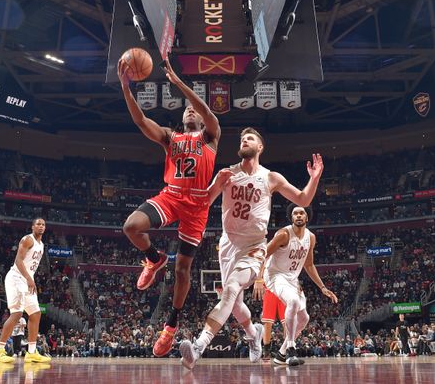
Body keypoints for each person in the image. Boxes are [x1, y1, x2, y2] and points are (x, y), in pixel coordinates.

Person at [179, 128, 324, 369]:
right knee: (234, 304)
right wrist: (215, 184)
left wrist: (315, 178)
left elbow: (303, 200)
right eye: (242, 138)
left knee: (231, 289)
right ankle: (253, 334)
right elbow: (203, 203)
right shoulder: (227, 174)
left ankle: (198, 347)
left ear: (260, 147)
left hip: (255, 246)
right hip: (228, 244)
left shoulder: (271, 177)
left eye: (250, 138)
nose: (244, 140)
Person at [118, 58, 221, 357]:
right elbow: (140, 121)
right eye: (186, 108)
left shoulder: (211, 136)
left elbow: (207, 111)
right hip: (172, 196)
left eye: (194, 109)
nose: (189, 110)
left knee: (183, 269)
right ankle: (153, 257)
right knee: (131, 227)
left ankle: (171, 326)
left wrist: (178, 84)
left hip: (197, 205)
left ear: (200, 118)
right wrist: (126, 89)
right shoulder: (170, 136)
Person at [254, 205, 338, 366]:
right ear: (291, 218)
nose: (298, 215)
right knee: (292, 302)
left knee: (304, 318)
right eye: (295, 213)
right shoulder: (283, 234)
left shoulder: (311, 238)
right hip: (274, 275)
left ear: (307, 218)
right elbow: (263, 254)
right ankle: (292, 349)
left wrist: (322, 287)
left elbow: (309, 265)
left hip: (292, 278)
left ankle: (281, 354)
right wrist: (258, 279)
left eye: (302, 213)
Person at [0, 218, 51, 364]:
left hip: (26, 280)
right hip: (16, 278)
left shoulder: (41, 245)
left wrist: (31, 280)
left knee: (35, 313)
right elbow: (18, 261)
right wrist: (29, 279)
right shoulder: (27, 239)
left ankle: (31, 352)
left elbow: (30, 265)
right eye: (38, 224)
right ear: (32, 227)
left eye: (43, 224)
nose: (41, 226)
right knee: (17, 313)